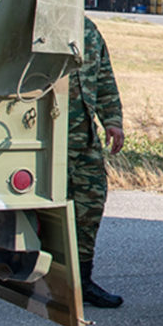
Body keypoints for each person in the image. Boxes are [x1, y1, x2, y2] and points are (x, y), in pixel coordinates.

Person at [68, 16, 126, 307]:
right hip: (46, 140)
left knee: (90, 204)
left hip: (84, 139)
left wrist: (112, 120)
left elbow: (104, 77)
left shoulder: (88, 30)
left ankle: (81, 281)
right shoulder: (40, 25)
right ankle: (42, 277)